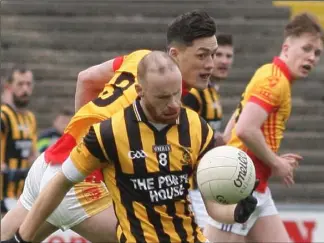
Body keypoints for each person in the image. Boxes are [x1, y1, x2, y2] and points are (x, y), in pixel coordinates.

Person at [0, 10, 224, 242]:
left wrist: (85, 141)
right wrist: (92, 151)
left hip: (51, 162)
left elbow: (86, 78)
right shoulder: (163, 99)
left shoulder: (140, 59)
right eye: (202, 56)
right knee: (150, 234)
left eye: (213, 55)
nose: (211, 64)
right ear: (174, 54)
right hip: (80, 180)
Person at [12, 51, 258, 243]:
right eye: (164, 98)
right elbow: (60, 182)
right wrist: (22, 237)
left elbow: (211, 205)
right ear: (140, 91)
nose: (174, 105)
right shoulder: (108, 133)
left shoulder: (196, 127)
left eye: (176, 94)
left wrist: (236, 211)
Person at [204, 13, 324, 243]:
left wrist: (270, 158)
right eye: (306, 48)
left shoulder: (271, 74)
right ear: (287, 47)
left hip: (255, 183)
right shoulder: (275, 80)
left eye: (317, 53)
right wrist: (276, 162)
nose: (312, 57)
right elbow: (246, 129)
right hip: (238, 184)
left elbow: (236, 125)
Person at [182, 34, 235, 229]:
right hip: (189, 186)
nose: (224, 61)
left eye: (229, 56)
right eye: (218, 55)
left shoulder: (213, 92)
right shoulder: (194, 94)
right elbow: (183, 135)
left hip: (202, 185)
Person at [0, 65, 37, 215]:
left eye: (28, 84)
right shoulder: (3, 116)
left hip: (20, 199)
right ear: (9, 87)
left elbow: (33, 155)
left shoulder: (30, 118)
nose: (25, 89)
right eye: (20, 84)